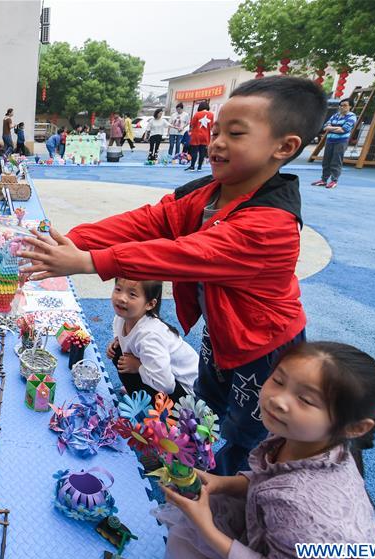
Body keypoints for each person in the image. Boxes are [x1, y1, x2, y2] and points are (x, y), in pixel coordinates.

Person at [20, 76, 328, 476]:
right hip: (222, 333)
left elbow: (183, 255)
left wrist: (90, 261)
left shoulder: (272, 225)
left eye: (235, 134)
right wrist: (70, 242)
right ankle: (192, 465)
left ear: (284, 147)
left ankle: (232, 498)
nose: (216, 142)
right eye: (215, 130)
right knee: (205, 407)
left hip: (263, 347)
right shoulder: (210, 193)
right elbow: (149, 222)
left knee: (251, 433)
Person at [158, 342, 375, 559]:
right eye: (278, 380)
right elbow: (271, 476)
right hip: (287, 542)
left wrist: (206, 528)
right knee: (207, 511)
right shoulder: (304, 436)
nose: (278, 400)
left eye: (306, 400)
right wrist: (222, 483)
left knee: (184, 548)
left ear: (354, 427)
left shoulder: (307, 513)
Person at [105, 278, 198, 401]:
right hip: (164, 375)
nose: (122, 298)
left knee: (125, 361)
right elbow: (118, 331)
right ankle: (137, 393)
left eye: (132, 294)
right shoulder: (123, 317)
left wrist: (138, 367)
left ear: (150, 304)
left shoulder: (149, 337)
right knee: (118, 351)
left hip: (188, 393)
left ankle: (147, 405)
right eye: (118, 289)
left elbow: (167, 385)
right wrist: (116, 341)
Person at [313, 98, 356, 189]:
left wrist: (331, 128)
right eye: (341, 105)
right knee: (326, 161)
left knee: (336, 161)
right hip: (330, 140)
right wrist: (335, 128)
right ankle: (324, 180)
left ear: (350, 106)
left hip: (341, 141)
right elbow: (325, 127)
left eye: (345, 105)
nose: (342, 107)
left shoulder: (351, 116)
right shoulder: (335, 115)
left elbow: (344, 130)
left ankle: (334, 181)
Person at [187, 102, 214, 172]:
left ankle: (192, 166)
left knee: (194, 151)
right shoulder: (211, 115)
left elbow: (192, 124)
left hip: (196, 135)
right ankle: (199, 167)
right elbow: (212, 126)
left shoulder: (197, 114)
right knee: (202, 152)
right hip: (206, 135)